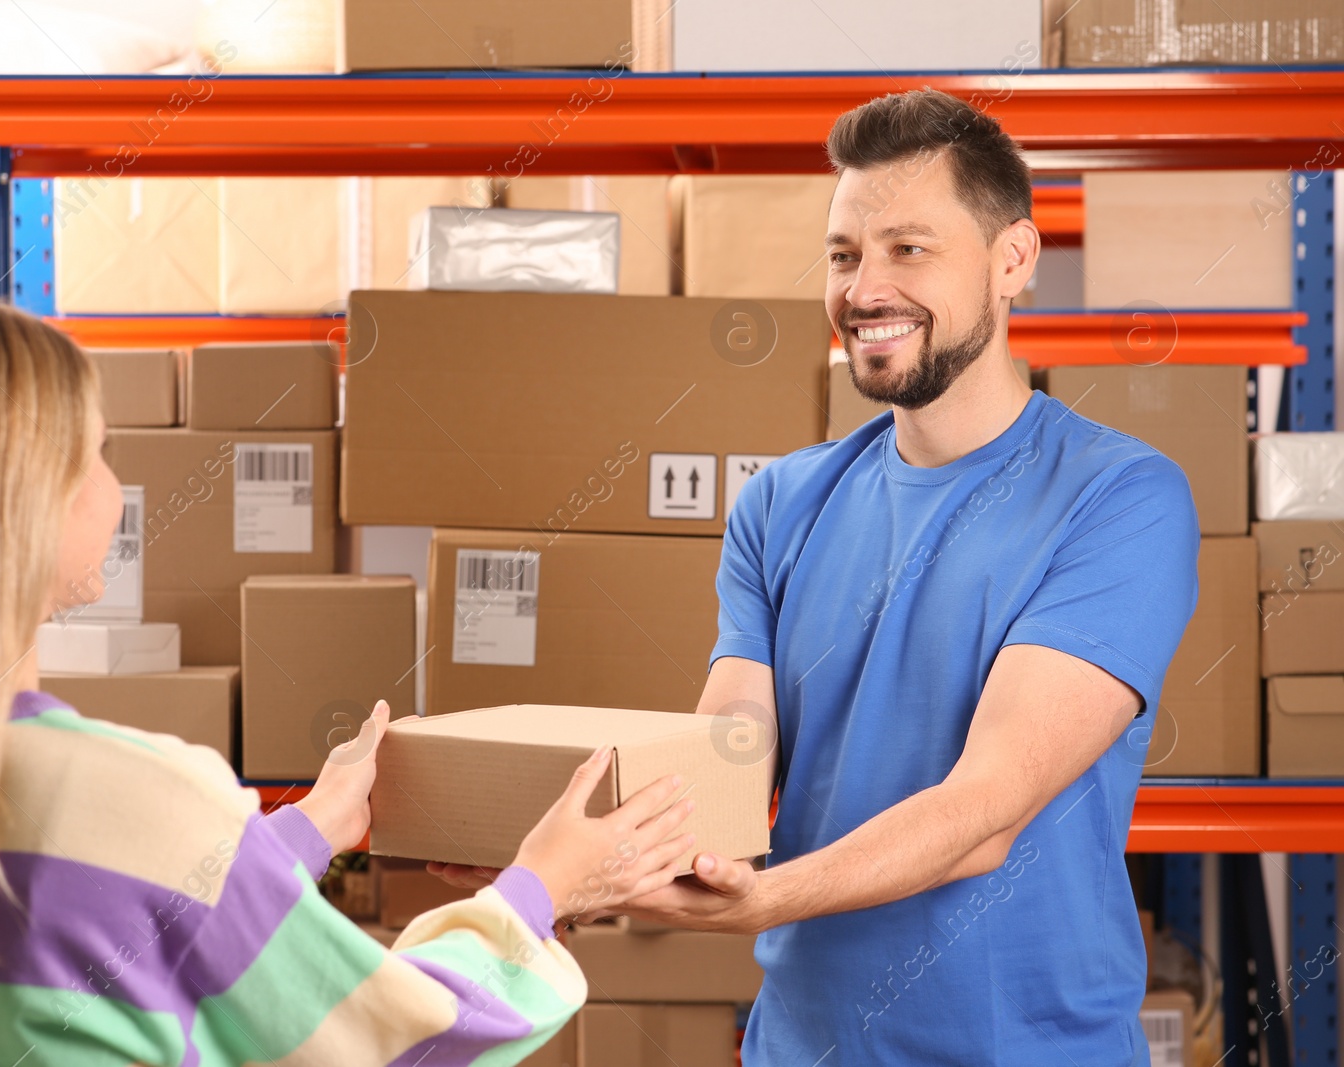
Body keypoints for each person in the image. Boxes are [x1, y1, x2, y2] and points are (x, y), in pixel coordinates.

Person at [437, 89, 1201, 1064]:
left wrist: (760, 898)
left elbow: (984, 815)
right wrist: (559, 865)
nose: (863, 288)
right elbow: (727, 755)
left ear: (1013, 259)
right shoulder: (781, 503)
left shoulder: (1118, 497)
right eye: (844, 255)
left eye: (907, 249)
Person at [0, 299, 697, 1065]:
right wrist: (544, 886)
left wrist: (304, 831)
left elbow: (116, 911)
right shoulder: (131, 794)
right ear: (28, 500)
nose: (116, 485)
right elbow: (396, 1036)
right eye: (99, 450)